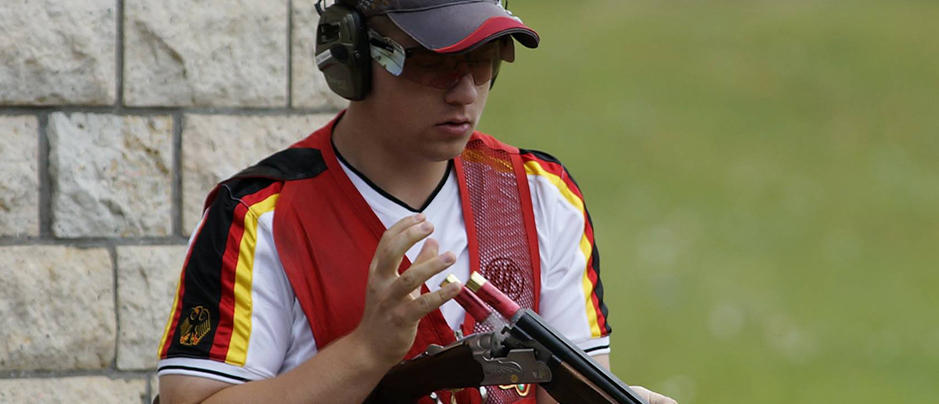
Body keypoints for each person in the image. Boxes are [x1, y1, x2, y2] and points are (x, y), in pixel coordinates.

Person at [156, 1, 677, 403]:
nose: (465, 92)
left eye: (483, 60)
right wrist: (368, 351)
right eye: (435, 64)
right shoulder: (260, 215)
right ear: (352, 55)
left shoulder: (541, 193)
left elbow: (570, 388)